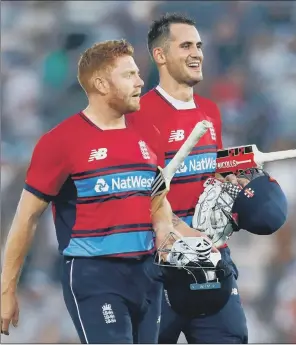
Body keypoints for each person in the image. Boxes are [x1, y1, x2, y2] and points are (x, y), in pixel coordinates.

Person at [0, 39, 207, 344]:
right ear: (100, 84)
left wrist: (185, 235)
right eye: (128, 75)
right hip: (95, 275)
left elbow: (157, 205)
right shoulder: (61, 141)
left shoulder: (149, 134)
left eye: (138, 73)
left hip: (147, 275)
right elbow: (26, 218)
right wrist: (7, 290)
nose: (140, 82)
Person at [128, 14, 249, 344]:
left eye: (199, 45)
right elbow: (140, 195)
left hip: (212, 259)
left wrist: (240, 183)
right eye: (186, 45)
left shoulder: (210, 111)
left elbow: (214, 178)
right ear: (160, 56)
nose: (197, 53)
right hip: (161, 268)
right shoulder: (137, 116)